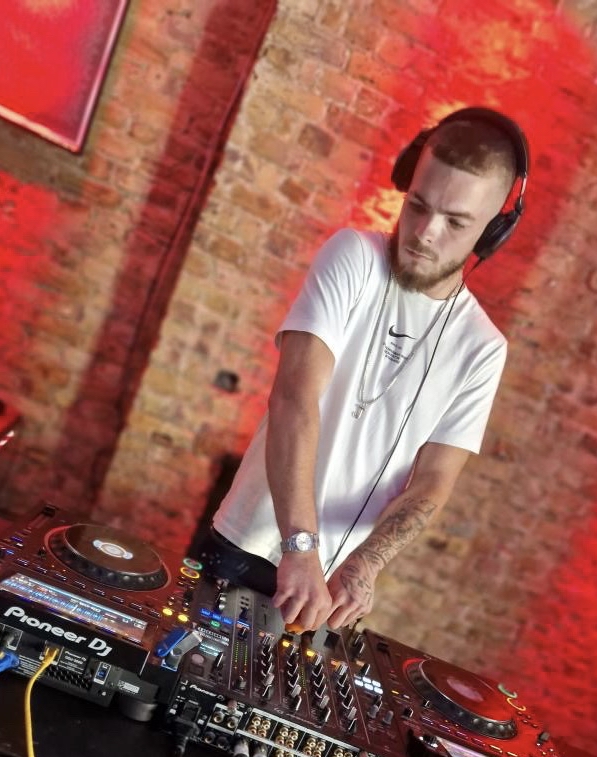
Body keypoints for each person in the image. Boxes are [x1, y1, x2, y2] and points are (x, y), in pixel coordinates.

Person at [205, 107, 529, 633]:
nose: (424, 233)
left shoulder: (482, 348)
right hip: (251, 546)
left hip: (333, 587)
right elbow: (294, 399)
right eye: (417, 205)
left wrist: (366, 565)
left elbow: (433, 483)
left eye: (455, 222)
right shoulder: (353, 256)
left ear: (492, 231)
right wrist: (300, 548)